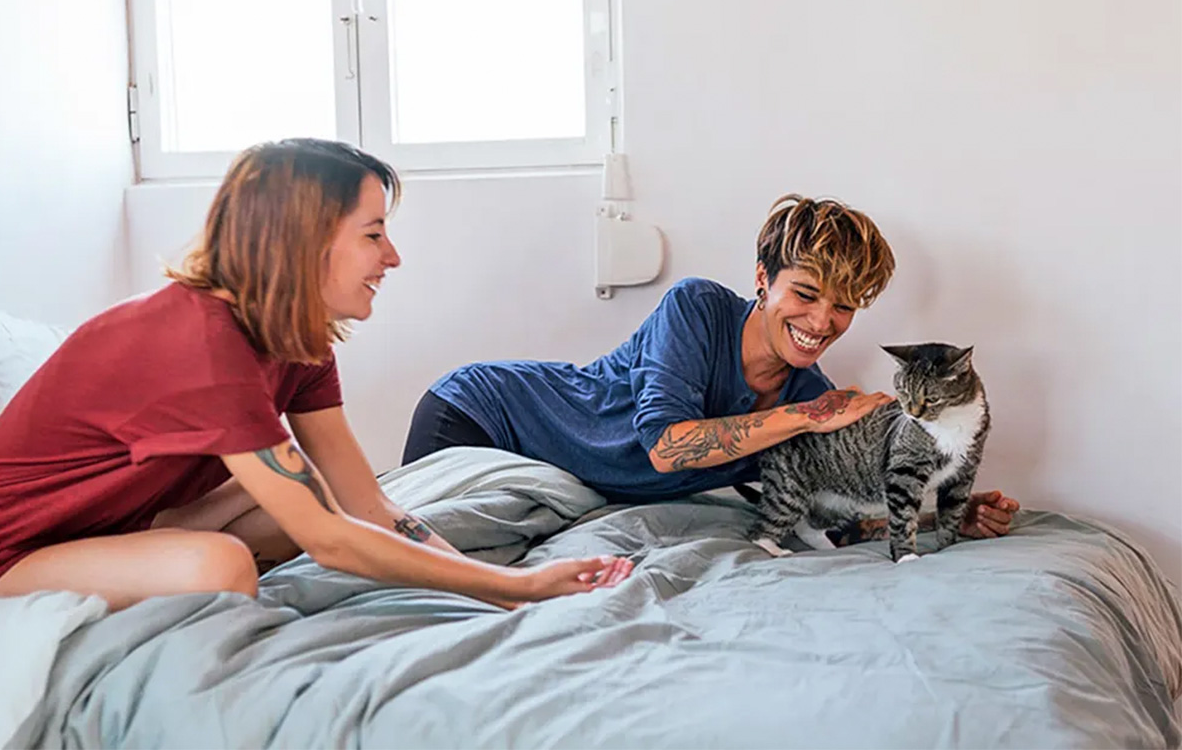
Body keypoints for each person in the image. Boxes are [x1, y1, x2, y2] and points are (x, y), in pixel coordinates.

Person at [0, 138, 632, 611]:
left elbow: (365, 502)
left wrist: (499, 593)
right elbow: (333, 543)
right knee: (223, 565)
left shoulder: (299, 340)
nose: (393, 256)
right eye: (373, 235)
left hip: (119, 522)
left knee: (305, 495)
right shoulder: (205, 349)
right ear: (303, 242)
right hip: (6, 551)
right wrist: (515, 586)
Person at [404, 193, 1019, 539]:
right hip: (486, 413)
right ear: (762, 280)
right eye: (805, 294)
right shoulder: (695, 308)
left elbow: (825, 511)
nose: (822, 321)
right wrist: (804, 418)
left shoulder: (810, 395)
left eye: (845, 306)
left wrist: (949, 515)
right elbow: (667, 449)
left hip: (567, 484)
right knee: (420, 557)